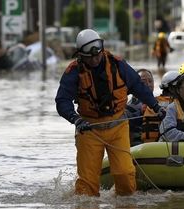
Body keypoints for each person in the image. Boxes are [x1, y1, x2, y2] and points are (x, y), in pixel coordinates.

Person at [55, 29, 165, 197]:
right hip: (89, 129)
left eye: (97, 54)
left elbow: (138, 86)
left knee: (125, 175)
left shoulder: (118, 64)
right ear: (80, 56)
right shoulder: (74, 72)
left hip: (118, 127)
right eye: (90, 56)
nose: (95, 58)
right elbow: (62, 101)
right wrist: (75, 119)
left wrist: (156, 107)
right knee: (87, 186)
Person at [141, 70, 179, 143]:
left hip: (147, 145)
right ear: (172, 88)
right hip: (164, 145)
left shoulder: (151, 102)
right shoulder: (177, 104)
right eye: (180, 87)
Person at [126, 69, 154, 146]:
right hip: (137, 149)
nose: (148, 84)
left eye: (150, 81)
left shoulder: (159, 106)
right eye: (143, 82)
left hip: (156, 147)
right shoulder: (128, 109)